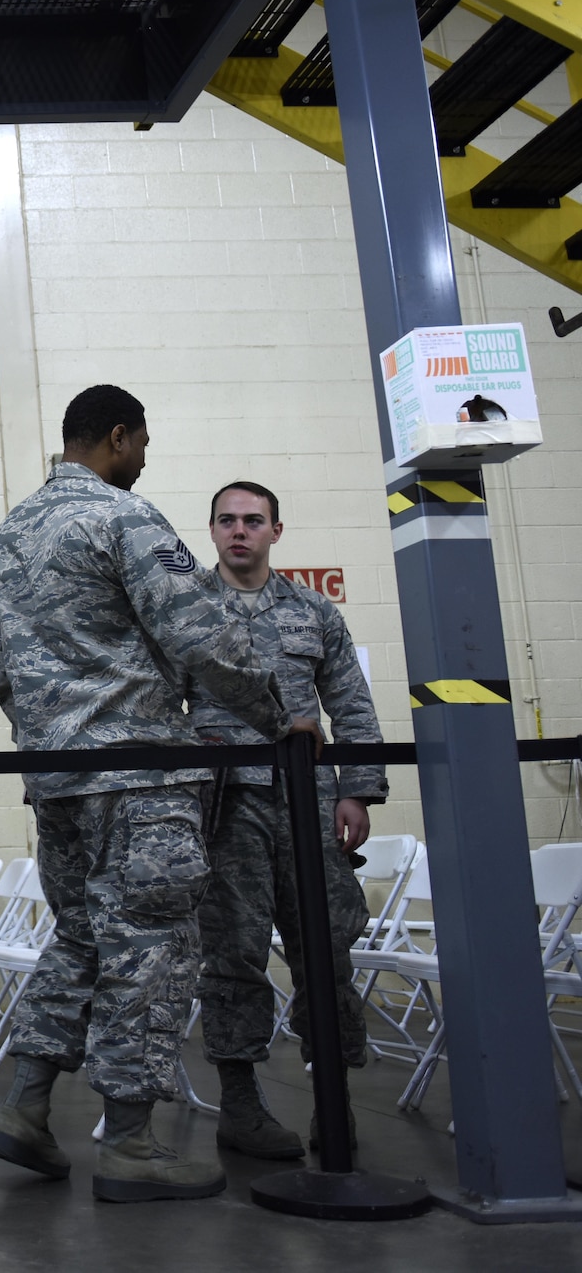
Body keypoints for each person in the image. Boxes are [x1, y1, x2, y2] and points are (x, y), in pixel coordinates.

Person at [0, 386, 318, 1203]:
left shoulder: (8, 536)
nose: (146, 458)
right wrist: (282, 719)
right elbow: (201, 635)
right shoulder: (122, 518)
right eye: (143, 443)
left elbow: (6, 673)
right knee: (151, 950)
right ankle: (130, 1142)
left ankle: (26, 1109)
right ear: (117, 436)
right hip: (139, 781)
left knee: (82, 939)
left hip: (56, 780)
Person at [192, 481, 385, 1157]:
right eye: (227, 520)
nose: (239, 530)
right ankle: (240, 1105)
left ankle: (335, 1102)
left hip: (307, 800)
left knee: (327, 949)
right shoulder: (187, 614)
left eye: (253, 520)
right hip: (226, 806)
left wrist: (355, 792)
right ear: (211, 530)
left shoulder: (313, 612)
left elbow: (351, 705)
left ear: (277, 530)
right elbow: (158, 709)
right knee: (234, 952)